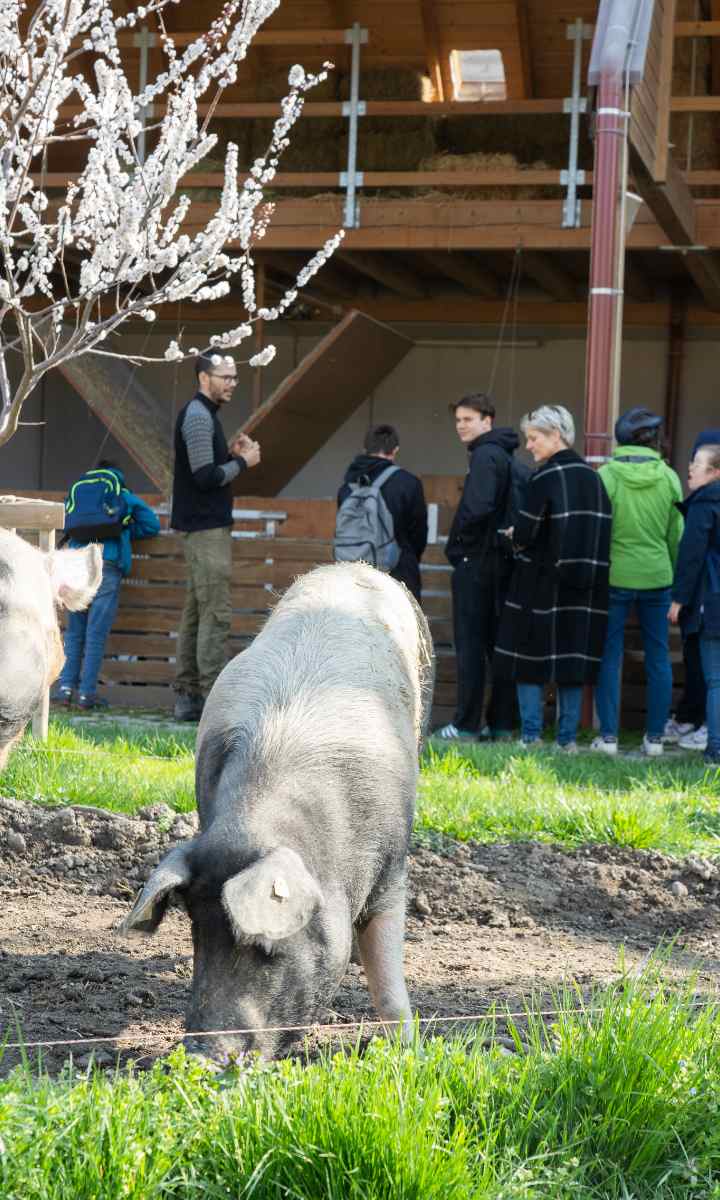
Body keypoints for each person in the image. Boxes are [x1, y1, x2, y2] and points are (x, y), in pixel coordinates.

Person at [494, 405, 611, 752]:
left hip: (540, 585)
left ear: (555, 436)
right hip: (586, 588)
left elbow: (526, 533)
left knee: (527, 661)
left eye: (534, 438)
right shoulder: (595, 479)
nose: (529, 446)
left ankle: (530, 737)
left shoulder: (543, 478)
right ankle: (567, 740)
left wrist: (511, 535)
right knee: (572, 664)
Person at [171, 348, 261, 722]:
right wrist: (242, 462)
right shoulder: (197, 416)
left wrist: (228, 454)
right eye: (225, 376)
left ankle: (188, 696)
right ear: (203, 378)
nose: (232, 383)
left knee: (196, 612)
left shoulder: (203, 415)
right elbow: (205, 477)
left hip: (201, 525)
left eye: (235, 377)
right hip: (205, 528)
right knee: (215, 612)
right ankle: (212, 700)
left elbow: (204, 467)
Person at [590, 407, 684, 757]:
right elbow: (677, 535)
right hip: (658, 577)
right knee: (658, 657)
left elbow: (599, 532)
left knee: (609, 656)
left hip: (615, 577)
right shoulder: (669, 478)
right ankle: (655, 739)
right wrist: (674, 578)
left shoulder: (607, 477)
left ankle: (609, 739)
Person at [436, 394, 522, 742]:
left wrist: (459, 547)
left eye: (468, 419)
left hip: (479, 563)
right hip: (500, 563)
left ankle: (467, 724)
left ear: (488, 420)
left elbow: (478, 507)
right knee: (495, 646)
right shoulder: (504, 454)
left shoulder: (486, 455)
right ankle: (501, 724)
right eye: (458, 419)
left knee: (471, 646)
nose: (461, 426)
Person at [54, 461, 160, 709]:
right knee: (96, 634)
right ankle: (86, 695)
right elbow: (151, 525)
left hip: (76, 565)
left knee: (74, 632)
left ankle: (65, 689)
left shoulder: (80, 491)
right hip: (107, 566)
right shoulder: (120, 494)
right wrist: (122, 530)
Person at [666, 429, 720, 752]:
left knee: (714, 678)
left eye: (697, 464)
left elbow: (691, 555)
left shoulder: (704, 503)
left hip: (710, 600)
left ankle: (715, 749)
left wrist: (678, 599)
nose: (690, 468)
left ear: (715, 472)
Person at [337, 424, 428, 601]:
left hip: (352, 576)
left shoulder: (347, 487)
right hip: (398, 574)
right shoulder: (408, 483)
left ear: (364, 449)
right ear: (395, 450)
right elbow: (418, 535)